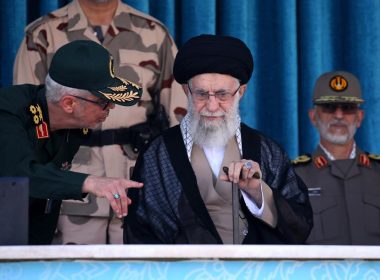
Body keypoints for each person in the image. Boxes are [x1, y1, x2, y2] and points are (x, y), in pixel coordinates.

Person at [13, 0, 187, 244]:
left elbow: (179, 118)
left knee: (136, 271)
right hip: (70, 186)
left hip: (136, 185)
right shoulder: (44, 33)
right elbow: (29, 119)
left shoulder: (153, 32)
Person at [123, 34, 313, 244]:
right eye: (202, 94)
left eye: (222, 94)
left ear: (241, 91)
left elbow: (301, 223)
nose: (212, 106)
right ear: (187, 90)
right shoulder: (158, 154)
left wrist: (258, 192)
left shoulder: (267, 151)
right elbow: (140, 230)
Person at [0, 40, 143, 245]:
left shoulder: (74, 124)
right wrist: (89, 182)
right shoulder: (7, 113)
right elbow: (19, 176)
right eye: (103, 101)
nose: (111, 107)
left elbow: (45, 197)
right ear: (69, 103)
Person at [293, 70, 380, 245]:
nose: (339, 115)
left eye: (347, 108)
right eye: (329, 107)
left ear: (359, 118)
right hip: (317, 273)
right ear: (313, 117)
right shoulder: (295, 177)